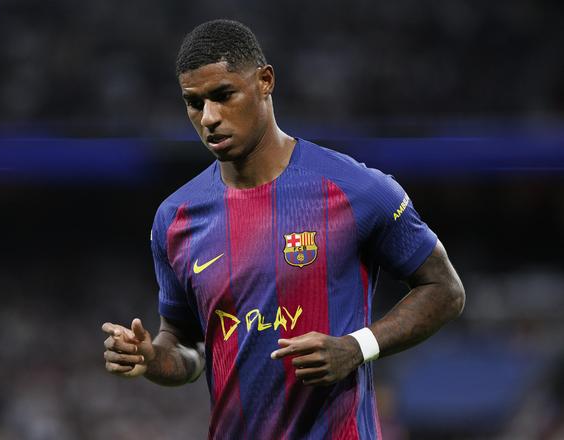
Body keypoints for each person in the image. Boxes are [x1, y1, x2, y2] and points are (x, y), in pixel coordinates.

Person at [102, 19, 465, 440]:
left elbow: (445, 290)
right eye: (194, 103)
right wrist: (151, 359)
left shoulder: (356, 189)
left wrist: (357, 347)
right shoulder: (175, 218)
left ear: (265, 81)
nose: (209, 118)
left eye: (223, 95)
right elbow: (190, 349)